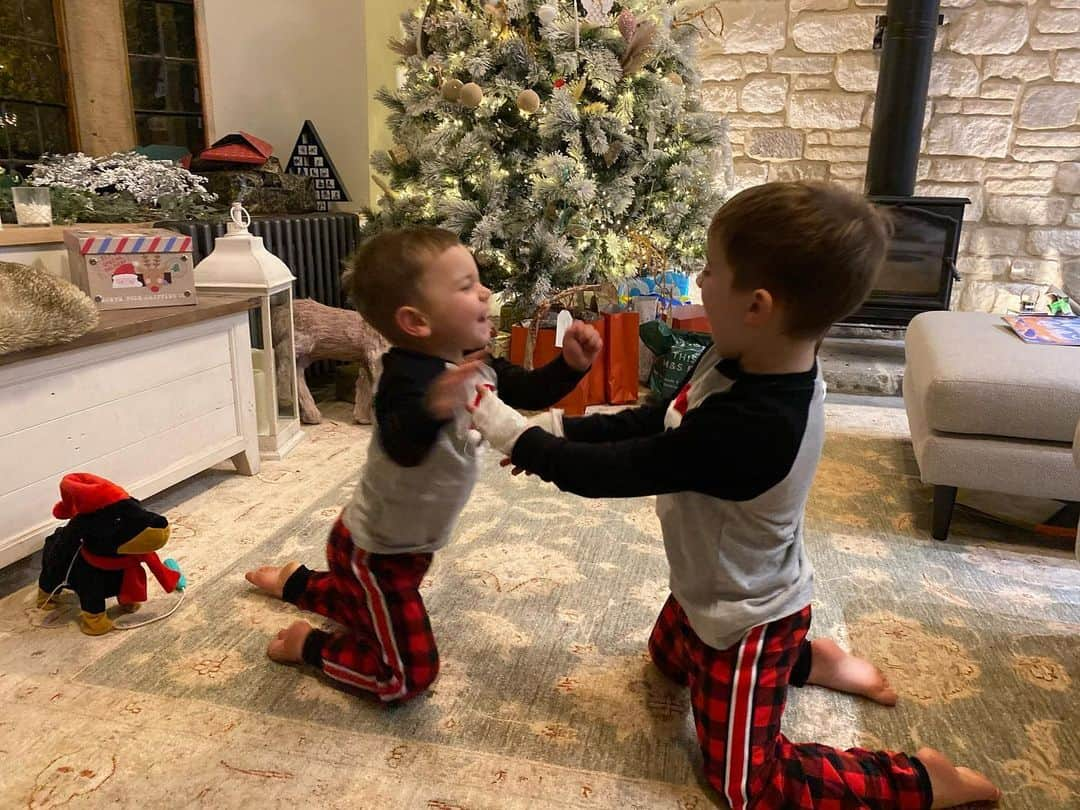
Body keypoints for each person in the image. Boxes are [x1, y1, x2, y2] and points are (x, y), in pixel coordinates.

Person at [468, 182, 1000, 809]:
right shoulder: (734, 356)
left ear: (757, 305)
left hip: (750, 614)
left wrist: (501, 423)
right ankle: (809, 662)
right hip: (706, 586)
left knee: (747, 786)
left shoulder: (757, 427)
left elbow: (619, 472)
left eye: (710, 269)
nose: (698, 280)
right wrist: (550, 432)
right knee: (666, 661)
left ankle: (923, 779)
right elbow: (654, 420)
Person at [245, 226, 603, 703]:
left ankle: (295, 581)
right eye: (466, 287)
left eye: (479, 282)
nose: (485, 293)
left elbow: (530, 393)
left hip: (404, 544)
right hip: (376, 552)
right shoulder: (404, 379)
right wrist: (434, 406)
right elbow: (400, 445)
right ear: (416, 321)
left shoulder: (474, 362)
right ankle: (309, 644)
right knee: (406, 678)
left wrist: (570, 366)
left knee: (360, 600)